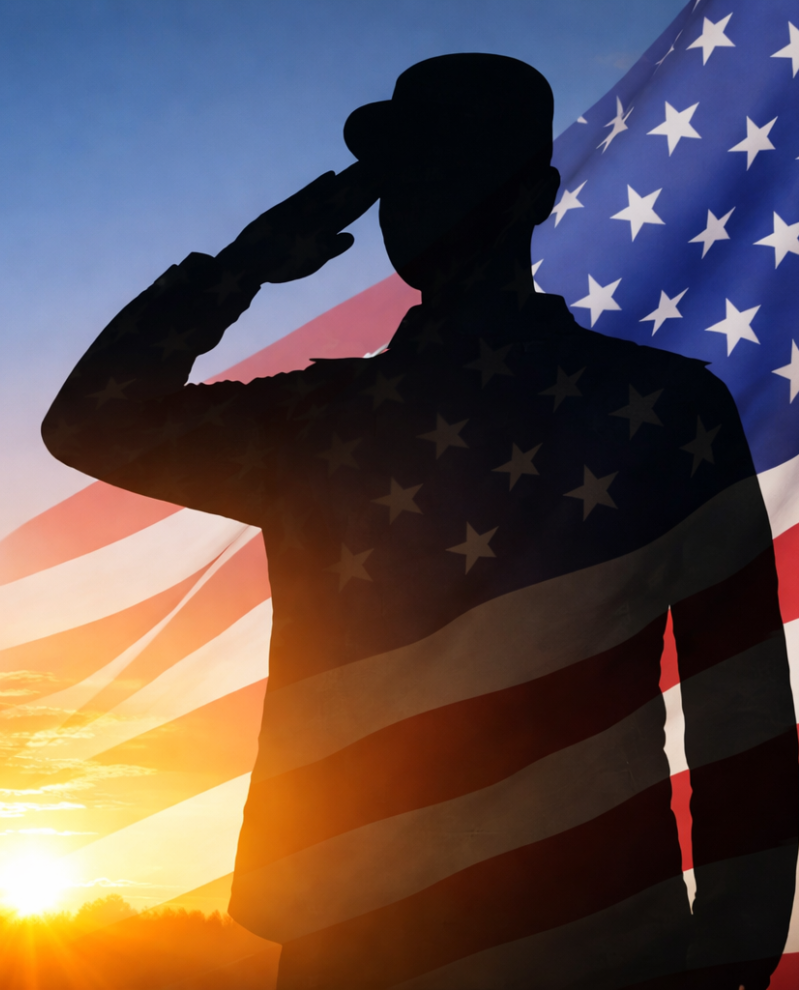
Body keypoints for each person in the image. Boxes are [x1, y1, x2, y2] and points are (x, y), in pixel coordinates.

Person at [42, 54, 797, 990]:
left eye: (449, 164)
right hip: (370, 945)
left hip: (572, 944)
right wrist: (244, 266)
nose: (412, 197)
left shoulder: (660, 412)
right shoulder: (327, 416)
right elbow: (89, 425)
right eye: (404, 171)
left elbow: (744, 713)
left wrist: (727, 963)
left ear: (534, 193)